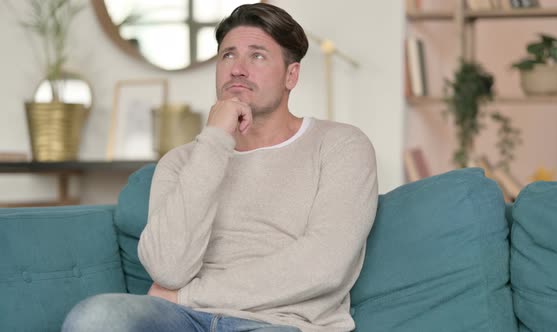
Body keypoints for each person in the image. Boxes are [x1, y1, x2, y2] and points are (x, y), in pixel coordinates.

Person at [62, 3, 377, 332]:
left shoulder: (341, 146)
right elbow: (167, 269)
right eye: (228, 55)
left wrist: (187, 296)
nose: (237, 69)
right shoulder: (183, 161)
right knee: (95, 318)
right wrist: (214, 140)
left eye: (257, 56)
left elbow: (322, 267)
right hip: (179, 320)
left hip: (278, 322)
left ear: (291, 75)